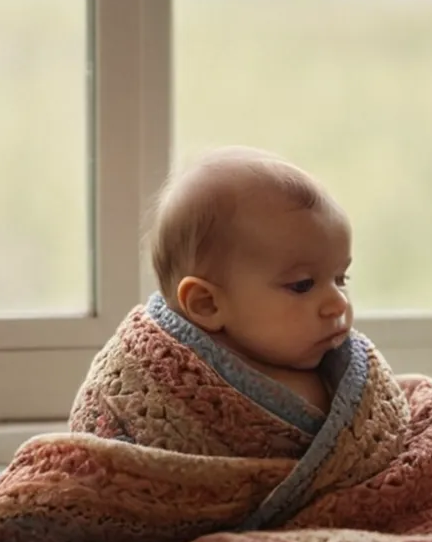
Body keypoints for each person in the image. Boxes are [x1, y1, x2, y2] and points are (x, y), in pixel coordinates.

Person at [147, 146, 353, 415]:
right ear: (207, 304)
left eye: (340, 278)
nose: (338, 304)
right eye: (302, 285)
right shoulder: (167, 392)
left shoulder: (342, 375)